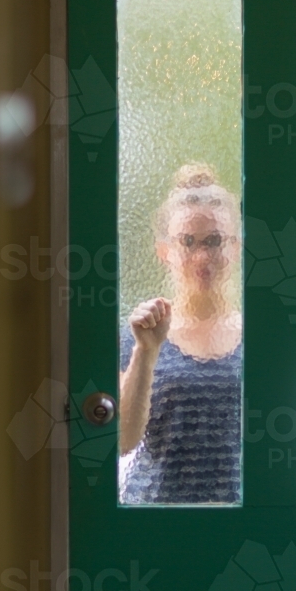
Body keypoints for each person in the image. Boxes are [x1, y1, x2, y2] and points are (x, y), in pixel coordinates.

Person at [119, 162, 242, 504]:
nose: (203, 256)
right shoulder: (138, 335)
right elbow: (122, 440)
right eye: (188, 241)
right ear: (165, 252)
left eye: (215, 241)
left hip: (240, 527)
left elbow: (292, 449)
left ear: (235, 246)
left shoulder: (265, 339)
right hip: (153, 526)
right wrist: (146, 350)